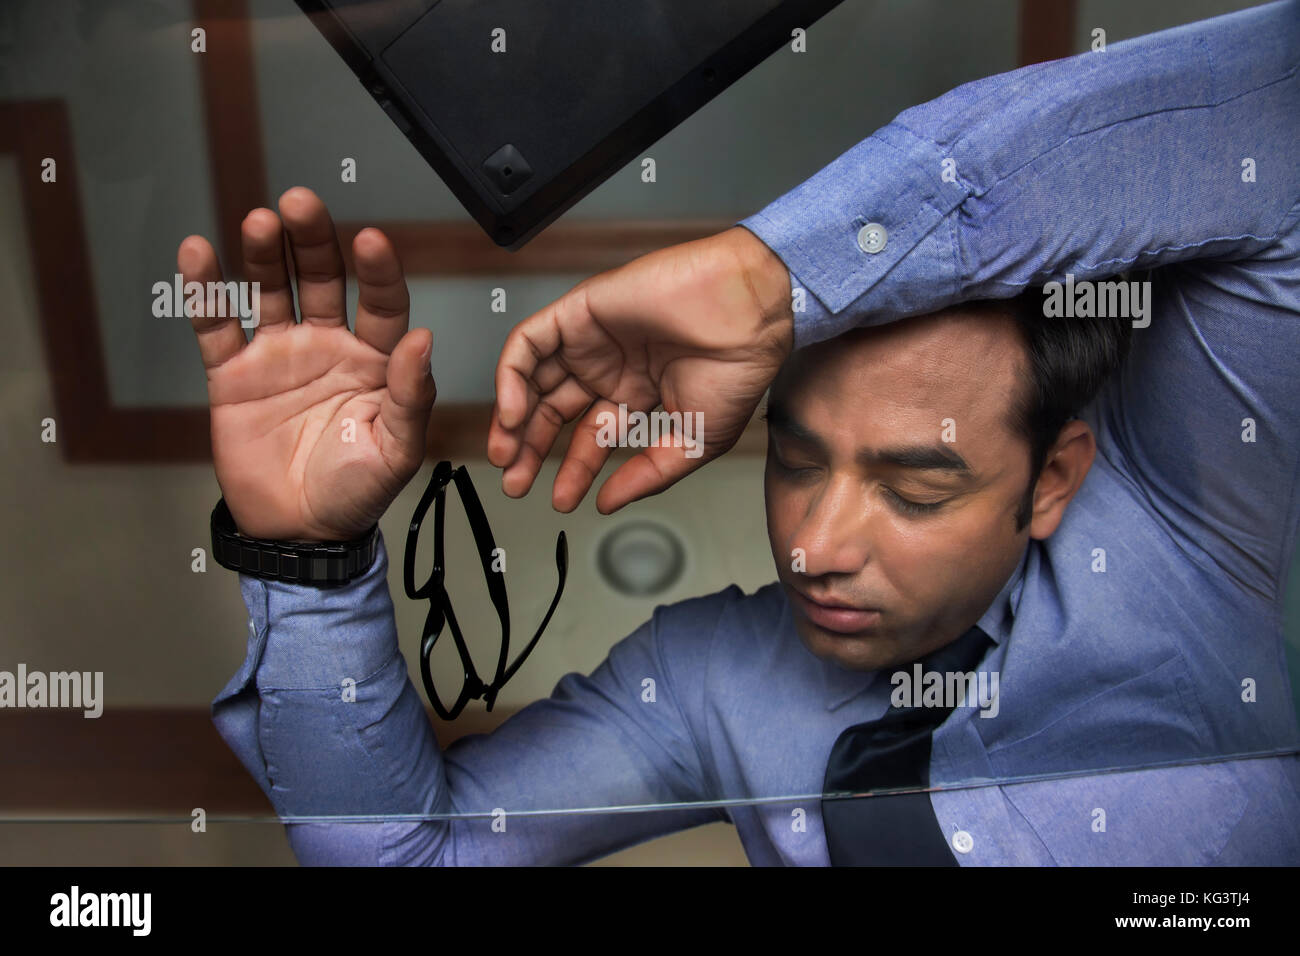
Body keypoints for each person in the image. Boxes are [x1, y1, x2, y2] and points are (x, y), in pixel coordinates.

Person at [182, 1, 1300, 864]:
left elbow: (1277, 107)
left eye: (916, 488)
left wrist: (781, 276)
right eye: (798, 460)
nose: (817, 544)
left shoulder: (1181, 533)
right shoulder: (712, 675)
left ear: (1053, 477)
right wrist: (304, 560)